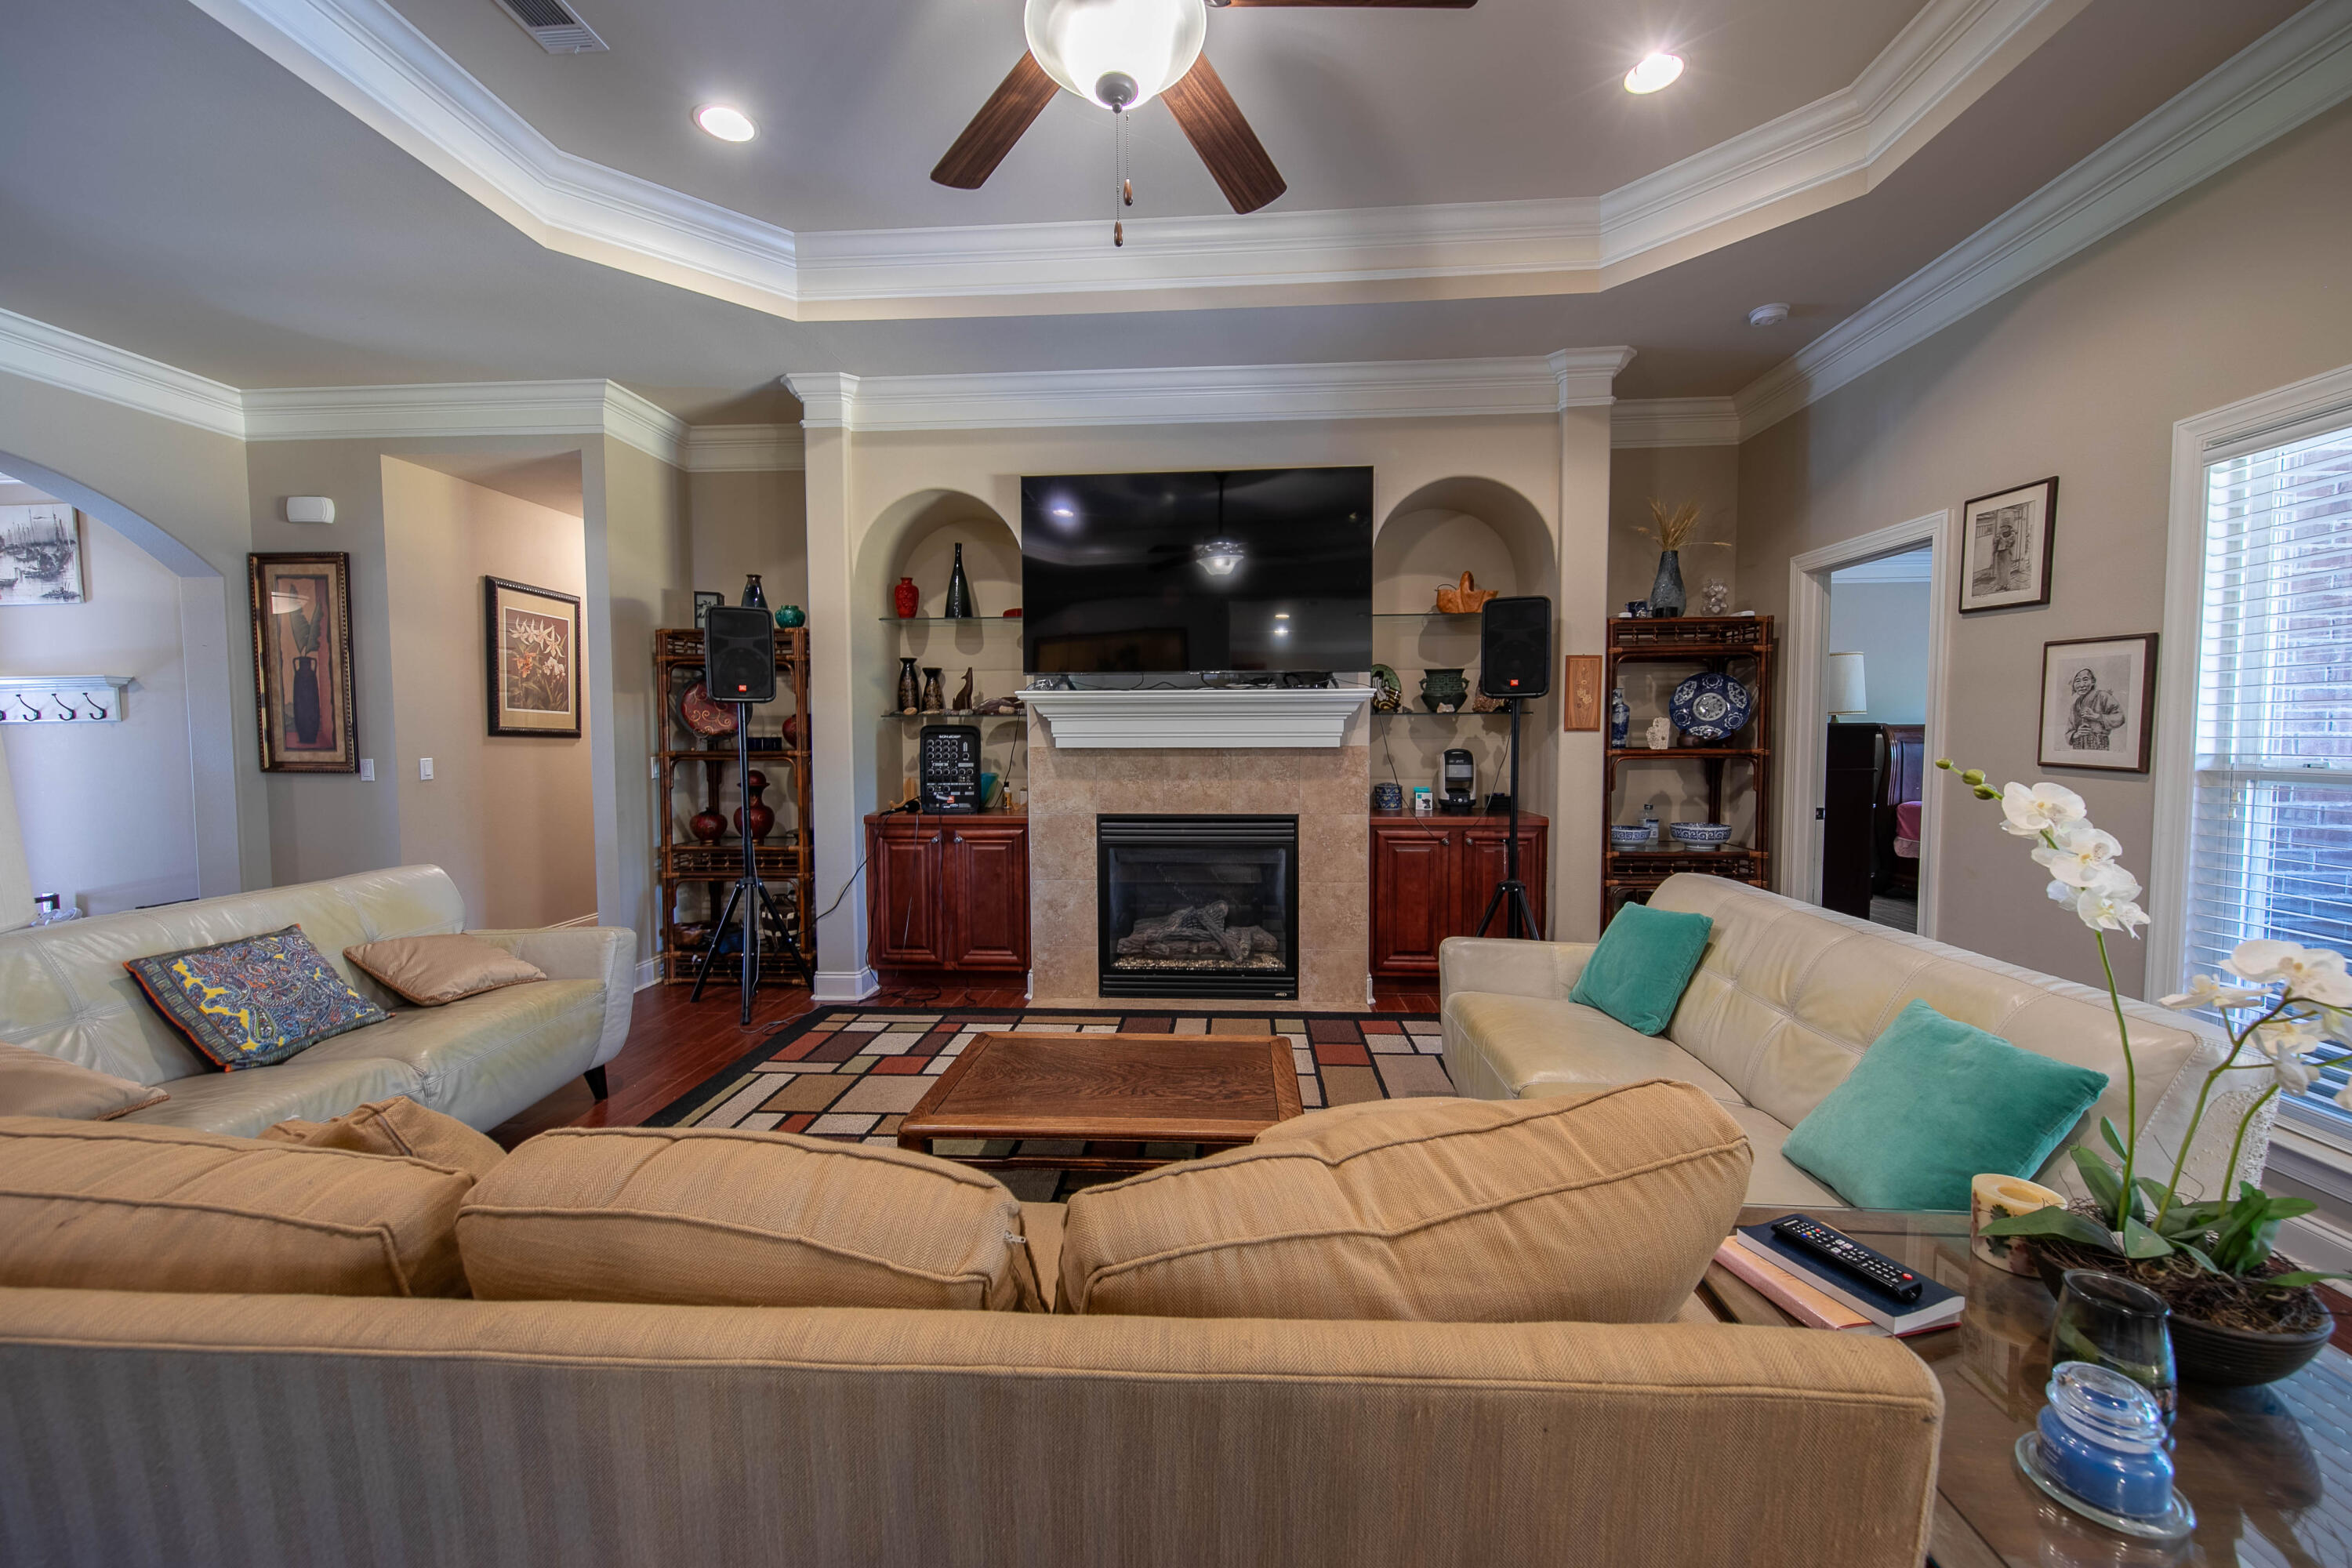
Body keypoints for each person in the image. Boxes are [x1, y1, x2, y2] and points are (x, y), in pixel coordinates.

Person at [2066, 667, 2126, 751]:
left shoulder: (2103, 696)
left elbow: (2120, 717)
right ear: (2073, 684)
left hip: (2099, 745)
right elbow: (2069, 731)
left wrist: (2097, 717)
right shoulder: (2074, 706)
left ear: (2093, 681)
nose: (2082, 685)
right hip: (2078, 747)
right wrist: (2076, 734)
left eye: (2085, 679)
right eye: (2077, 681)